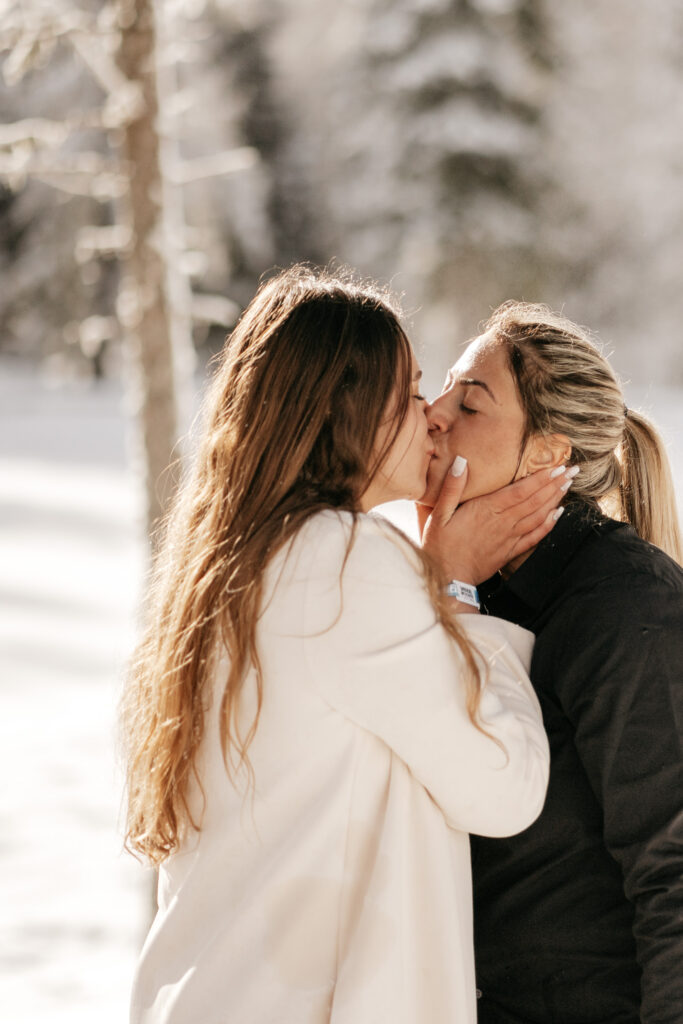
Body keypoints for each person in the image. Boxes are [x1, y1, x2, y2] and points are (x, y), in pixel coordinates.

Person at [121, 270, 569, 1024]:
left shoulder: (232, 563)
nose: (432, 419)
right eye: (410, 392)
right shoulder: (344, 562)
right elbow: (504, 789)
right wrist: (453, 586)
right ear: (345, 412)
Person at [420, 301, 683, 1024]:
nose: (434, 413)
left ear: (545, 455)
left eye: (469, 403)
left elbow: (674, 872)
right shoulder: (465, 582)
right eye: (443, 388)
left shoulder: (625, 604)